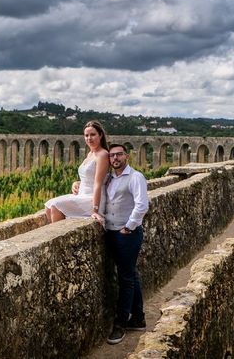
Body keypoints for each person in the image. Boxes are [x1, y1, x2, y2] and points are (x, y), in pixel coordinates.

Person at [92, 143, 150, 345]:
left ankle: (120, 323)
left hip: (127, 234)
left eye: (119, 155)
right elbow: (95, 188)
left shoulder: (136, 177)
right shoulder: (109, 178)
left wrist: (129, 226)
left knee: (125, 277)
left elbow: (142, 204)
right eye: (112, 156)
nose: (115, 158)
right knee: (131, 273)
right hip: (111, 230)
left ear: (127, 156)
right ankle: (139, 318)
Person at [45, 120, 109, 223]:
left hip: (92, 199)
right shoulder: (90, 154)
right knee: (48, 206)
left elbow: (98, 183)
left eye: (92, 134)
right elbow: (89, 176)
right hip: (82, 194)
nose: (89, 138)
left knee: (55, 206)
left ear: (100, 135)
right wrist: (77, 183)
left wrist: (95, 210)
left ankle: (59, 236)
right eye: (86, 135)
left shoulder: (102, 155)